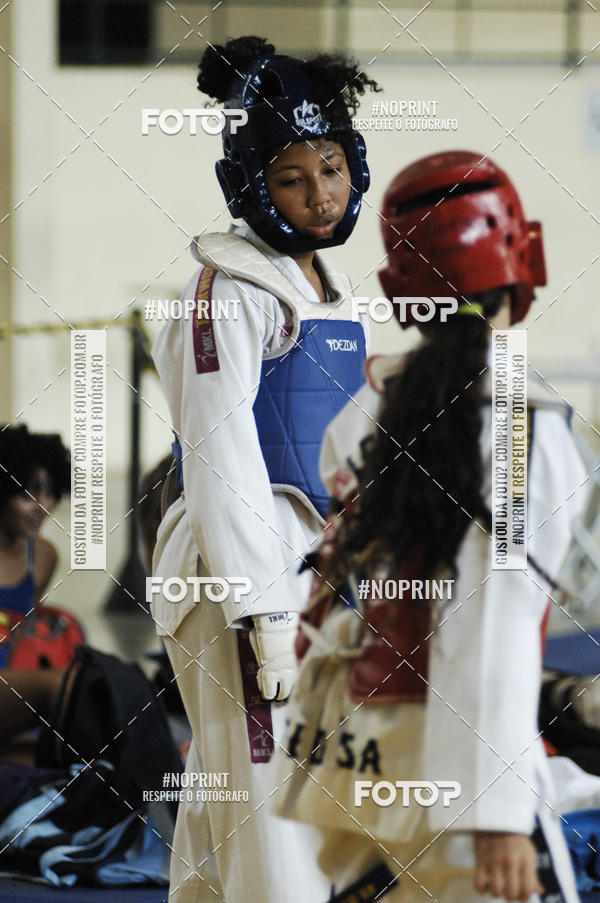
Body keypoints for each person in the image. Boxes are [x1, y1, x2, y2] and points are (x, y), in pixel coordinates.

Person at [274, 151, 587, 902]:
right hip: (454, 777)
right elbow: (490, 626)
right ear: (525, 259)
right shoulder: (516, 429)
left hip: (350, 754)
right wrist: (500, 813)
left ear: (401, 290)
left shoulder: (371, 408)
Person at [150, 34, 379, 903]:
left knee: (234, 840)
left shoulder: (326, 285)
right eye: (292, 177)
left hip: (312, 573)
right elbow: (219, 452)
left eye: (331, 167)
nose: (319, 195)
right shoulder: (230, 291)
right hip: (241, 588)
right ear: (253, 186)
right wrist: (264, 610)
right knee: (274, 829)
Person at [0, 425, 70, 616]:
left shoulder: (43, 556)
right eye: (27, 495)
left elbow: (23, 637)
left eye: (51, 493)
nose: (43, 506)